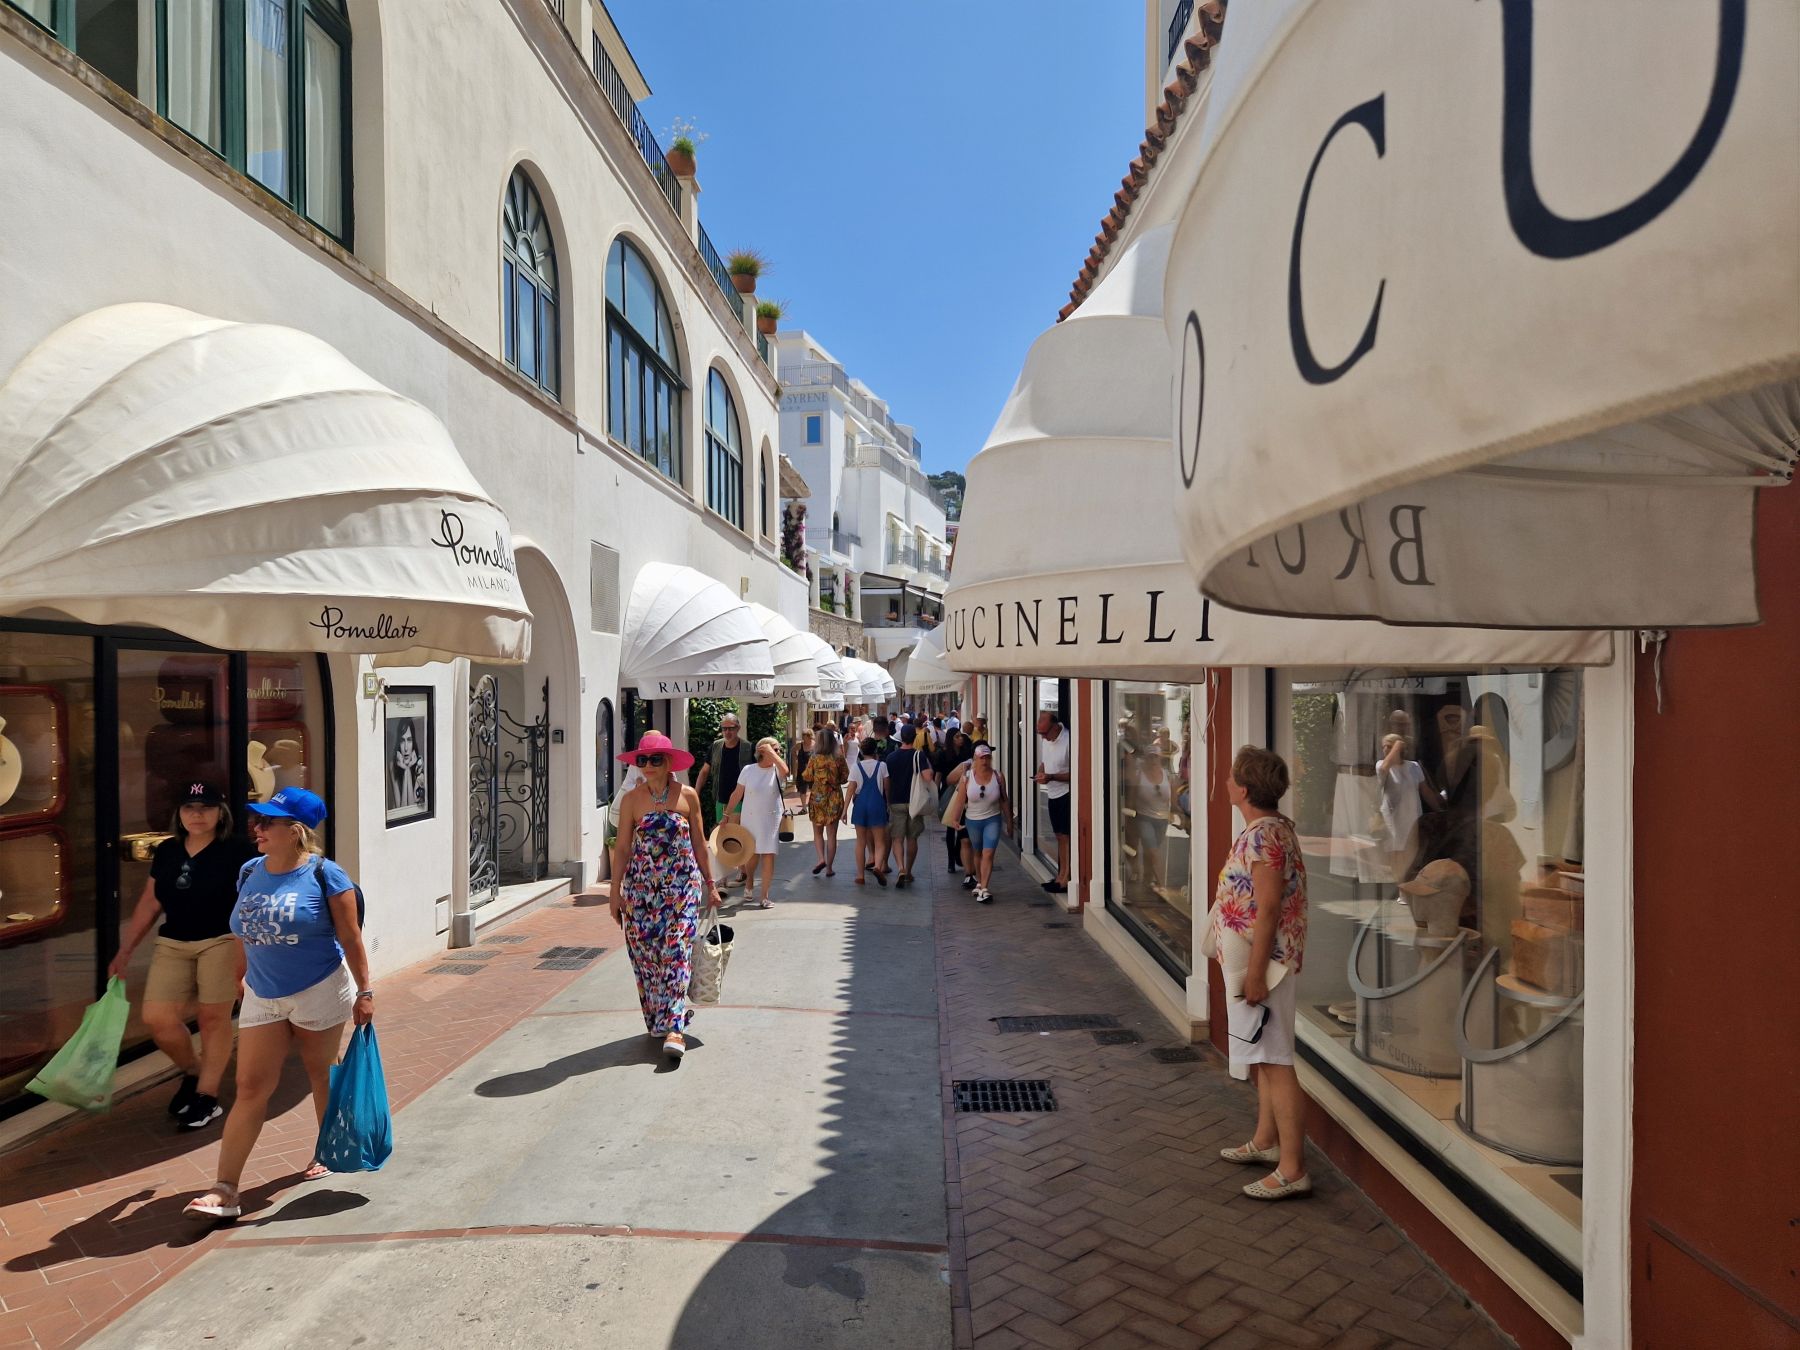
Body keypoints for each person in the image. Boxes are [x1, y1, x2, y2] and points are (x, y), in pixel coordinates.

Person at [184, 788, 371, 1220]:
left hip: (318, 988)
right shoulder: (250, 870)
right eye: (258, 820)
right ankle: (225, 1190)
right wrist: (239, 972)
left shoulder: (327, 876)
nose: (257, 828)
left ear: (297, 831)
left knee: (320, 1075)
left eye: (268, 822)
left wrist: (366, 991)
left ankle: (329, 1149)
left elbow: (350, 938)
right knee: (250, 1087)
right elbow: (241, 928)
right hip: (263, 994)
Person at [109, 782, 255, 1130]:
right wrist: (125, 950)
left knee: (212, 1018)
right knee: (158, 1018)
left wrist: (245, 958)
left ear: (221, 813)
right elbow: (150, 901)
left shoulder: (239, 851)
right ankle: (193, 1071)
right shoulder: (169, 851)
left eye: (205, 807)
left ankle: (206, 1097)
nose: (197, 815)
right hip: (173, 942)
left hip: (222, 939)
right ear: (179, 813)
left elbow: (250, 905)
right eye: (189, 808)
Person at [1213, 746, 1312, 1201]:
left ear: (1245, 789)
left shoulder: (1262, 837)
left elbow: (1269, 907)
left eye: (1233, 778)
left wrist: (1254, 975)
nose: (1227, 783)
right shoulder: (1272, 829)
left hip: (1266, 966)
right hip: (1265, 961)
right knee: (1265, 1058)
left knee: (1276, 1062)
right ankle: (1266, 1140)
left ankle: (1292, 1169)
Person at [610, 732, 721, 1062]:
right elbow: (622, 849)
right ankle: (661, 1019)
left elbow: (700, 844)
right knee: (647, 958)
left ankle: (675, 1026)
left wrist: (710, 883)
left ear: (669, 761)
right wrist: (615, 894)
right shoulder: (632, 800)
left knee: (675, 954)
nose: (648, 766)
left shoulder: (687, 796)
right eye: (642, 760)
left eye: (655, 759)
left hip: (681, 891)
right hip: (641, 893)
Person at [725, 736, 790, 909]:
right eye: (775, 750)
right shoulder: (748, 770)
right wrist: (727, 814)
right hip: (751, 817)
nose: (778, 753)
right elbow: (737, 794)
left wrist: (773, 754)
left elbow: (786, 770)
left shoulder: (777, 769)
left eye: (778, 750)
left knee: (768, 854)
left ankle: (764, 896)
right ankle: (750, 880)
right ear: (762, 751)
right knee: (751, 854)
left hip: (771, 818)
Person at [945, 742, 1011, 903]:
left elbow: (1004, 800)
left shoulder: (998, 776)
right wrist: (954, 819)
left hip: (992, 819)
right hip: (973, 820)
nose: (985, 761)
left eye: (988, 757)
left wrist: (1009, 821)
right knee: (978, 853)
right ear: (975, 758)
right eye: (982, 758)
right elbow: (960, 800)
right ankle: (979, 882)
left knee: (988, 853)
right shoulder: (967, 777)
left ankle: (985, 888)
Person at [694, 712, 748, 889]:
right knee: (722, 837)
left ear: (737, 728)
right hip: (720, 798)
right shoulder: (716, 747)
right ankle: (725, 875)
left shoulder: (747, 748)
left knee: (734, 834)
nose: (727, 732)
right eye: (724, 729)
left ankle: (739, 870)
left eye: (731, 728)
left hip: (741, 798)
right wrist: (695, 793)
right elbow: (704, 771)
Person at [883, 724, 935, 888]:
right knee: (912, 838)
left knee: (897, 838)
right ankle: (909, 871)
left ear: (900, 739)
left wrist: (888, 800)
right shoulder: (919, 756)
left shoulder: (891, 757)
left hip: (896, 801)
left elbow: (887, 782)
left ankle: (900, 868)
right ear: (914, 738)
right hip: (915, 802)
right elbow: (927, 777)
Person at [1035, 709, 1072, 894]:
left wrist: (1052, 777)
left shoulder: (1068, 741)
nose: (1038, 723)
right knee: (1059, 836)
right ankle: (1060, 875)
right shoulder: (1046, 741)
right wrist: (1042, 773)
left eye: (1042, 720)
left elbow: (1076, 773)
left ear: (1054, 725)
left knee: (1066, 837)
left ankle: (1065, 879)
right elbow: (1044, 762)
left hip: (1066, 794)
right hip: (1052, 794)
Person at [846, 737, 890, 887]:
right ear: (875, 750)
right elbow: (886, 787)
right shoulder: (882, 766)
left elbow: (851, 789)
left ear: (861, 751)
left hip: (860, 804)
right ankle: (878, 866)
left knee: (860, 842)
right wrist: (888, 803)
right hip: (877, 803)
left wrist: (844, 810)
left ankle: (860, 875)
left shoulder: (856, 767)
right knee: (880, 841)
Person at [933, 729, 976, 883]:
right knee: (951, 828)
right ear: (951, 739)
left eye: (961, 736)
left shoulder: (965, 753)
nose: (961, 739)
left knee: (962, 826)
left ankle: (959, 855)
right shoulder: (943, 754)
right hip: (950, 794)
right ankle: (952, 860)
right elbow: (938, 776)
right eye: (957, 737)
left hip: (965, 793)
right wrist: (935, 796)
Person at [805, 726, 849, 877]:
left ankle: (820, 859)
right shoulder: (839, 758)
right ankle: (829, 868)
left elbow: (807, 776)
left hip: (817, 796)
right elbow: (845, 778)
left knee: (817, 832)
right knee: (832, 835)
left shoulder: (814, 758)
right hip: (834, 797)